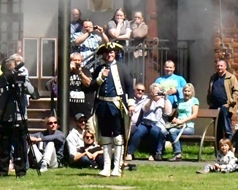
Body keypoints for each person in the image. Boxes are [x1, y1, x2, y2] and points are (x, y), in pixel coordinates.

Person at [87, 42, 134, 177]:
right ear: (103, 55)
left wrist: (131, 104)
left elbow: (129, 87)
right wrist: (101, 78)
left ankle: (117, 168)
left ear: (115, 54)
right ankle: (106, 168)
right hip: (102, 105)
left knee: (118, 137)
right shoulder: (99, 68)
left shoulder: (122, 68)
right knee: (105, 136)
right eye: (107, 53)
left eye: (112, 52)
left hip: (117, 105)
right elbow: (92, 87)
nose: (109, 55)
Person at [0, 59, 36, 177]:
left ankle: (21, 171)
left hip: (19, 116)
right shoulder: (1, 79)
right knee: (4, 146)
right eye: (8, 69)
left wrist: (22, 80)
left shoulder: (21, 77)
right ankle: (3, 171)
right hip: (5, 116)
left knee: (20, 146)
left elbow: (32, 91)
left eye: (12, 68)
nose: (10, 71)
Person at [126, 83, 171, 161]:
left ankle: (153, 154)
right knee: (138, 132)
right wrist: (151, 98)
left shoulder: (164, 101)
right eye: (155, 91)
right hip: (145, 123)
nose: (157, 93)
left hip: (157, 124)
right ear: (151, 92)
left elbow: (167, 113)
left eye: (159, 91)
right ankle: (130, 153)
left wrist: (165, 99)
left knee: (155, 132)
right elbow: (145, 109)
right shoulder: (146, 99)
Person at [206, 59, 238, 146]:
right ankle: (218, 149)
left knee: (227, 128)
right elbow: (210, 91)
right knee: (217, 128)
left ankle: (229, 147)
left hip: (226, 107)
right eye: (218, 66)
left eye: (221, 66)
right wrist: (210, 102)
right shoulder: (213, 77)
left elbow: (236, 92)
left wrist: (229, 103)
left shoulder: (231, 77)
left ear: (225, 67)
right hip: (215, 106)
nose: (219, 68)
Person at [168, 83, 199, 161]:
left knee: (172, 131)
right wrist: (175, 119)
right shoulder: (180, 101)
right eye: (185, 91)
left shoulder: (194, 100)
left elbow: (194, 115)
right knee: (165, 131)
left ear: (192, 92)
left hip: (188, 127)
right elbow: (177, 113)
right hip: (178, 125)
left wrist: (182, 121)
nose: (187, 93)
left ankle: (177, 153)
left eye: (189, 91)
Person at [68, 52, 93, 123]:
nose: (77, 62)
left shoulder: (85, 70)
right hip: (70, 108)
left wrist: (80, 73)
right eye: (74, 60)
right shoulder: (65, 70)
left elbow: (89, 84)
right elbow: (58, 82)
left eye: (79, 60)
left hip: (84, 107)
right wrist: (68, 70)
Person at [128, 11, 149, 83]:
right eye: (135, 17)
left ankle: (139, 87)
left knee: (139, 73)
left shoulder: (144, 27)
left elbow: (137, 35)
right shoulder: (130, 24)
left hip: (139, 53)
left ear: (142, 19)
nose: (136, 19)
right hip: (130, 52)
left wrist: (134, 27)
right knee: (131, 72)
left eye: (138, 17)